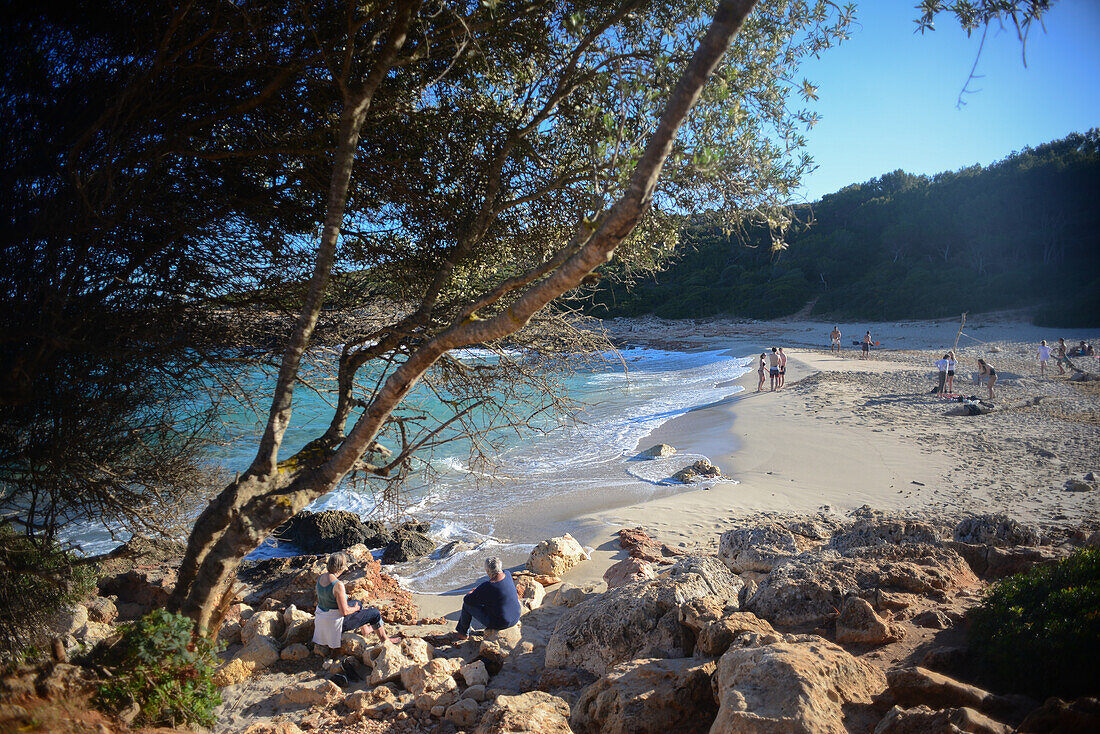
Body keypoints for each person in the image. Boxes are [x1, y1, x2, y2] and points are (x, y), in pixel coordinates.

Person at [313, 552, 398, 655]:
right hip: (336, 624)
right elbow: (344, 611)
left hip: (322, 619)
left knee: (357, 602)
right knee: (374, 613)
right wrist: (356, 609)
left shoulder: (321, 577)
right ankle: (385, 640)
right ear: (341, 567)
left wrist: (355, 605)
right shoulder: (338, 584)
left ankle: (365, 630)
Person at [453, 556, 521, 640]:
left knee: (467, 605)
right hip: (515, 616)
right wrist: (480, 592)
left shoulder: (489, 586)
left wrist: (472, 593)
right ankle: (463, 632)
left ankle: (463, 633)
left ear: (488, 571)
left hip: (501, 623)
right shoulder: (507, 574)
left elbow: (467, 600)